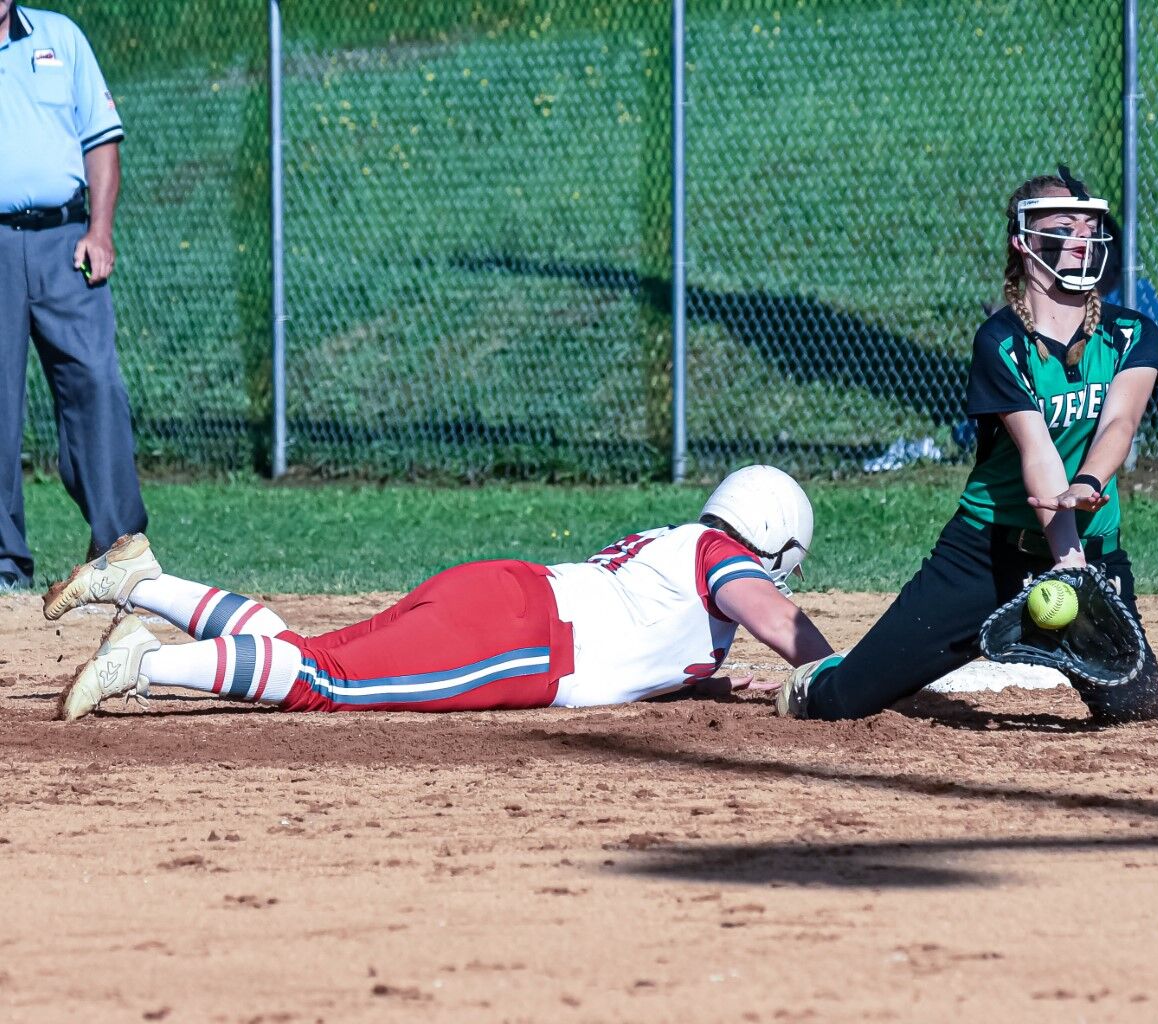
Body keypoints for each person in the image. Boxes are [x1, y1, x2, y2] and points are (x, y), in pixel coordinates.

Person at [777, 170, 1158, 727]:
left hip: (1092, 548)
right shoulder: (1002, 341)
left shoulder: (1131, 333)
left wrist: (1089, 489)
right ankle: (818, 678)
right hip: (988, 554)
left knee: (1138, 707)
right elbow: (1038, 455)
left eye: (1090, 225)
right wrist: (1067, 559)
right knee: (842, 704)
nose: (1083, 237)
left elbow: (1119, 425)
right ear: (1023, 241)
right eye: (1064, 226)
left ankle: (1056, 631)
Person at [50, 465, 835, 721]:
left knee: (308, 656)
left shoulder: (682, 541)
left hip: (507, 597)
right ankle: (144, 666)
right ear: (770, 539)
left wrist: (720, 683)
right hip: (526, 641)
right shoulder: (721, 557)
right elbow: (775, 616)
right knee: (323, 683)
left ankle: (145, 584)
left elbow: (654, 643)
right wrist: (836, 676)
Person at [0, 2, 146, 591]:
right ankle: (4, 567)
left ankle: (120, 551)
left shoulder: (60, 37)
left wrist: (100, 230)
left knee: (97, 386)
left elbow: (101, 140)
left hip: (68, 241)